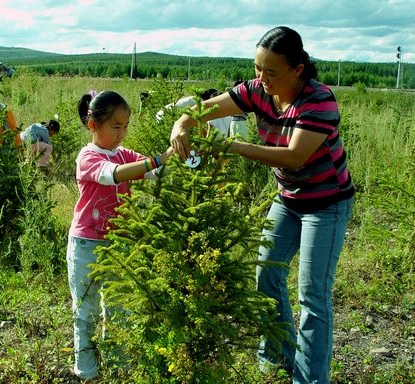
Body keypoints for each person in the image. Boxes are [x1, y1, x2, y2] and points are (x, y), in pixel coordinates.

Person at [169, 26, 354, 384]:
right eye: (257, 68)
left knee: (313, 294)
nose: (261, 78)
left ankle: (311, 378)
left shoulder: (319, 101)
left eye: (271, 72)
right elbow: (204, 108)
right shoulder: (257, 91)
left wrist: (232, 147)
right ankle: (277, 354)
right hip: (288, 200)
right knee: (266, 273)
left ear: (297, 70)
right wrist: (182, 123)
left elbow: (294, 156)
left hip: (326, 205)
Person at [67, 90, 173, 380]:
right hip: (86, 243)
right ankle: (86, 369)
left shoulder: (123, 153)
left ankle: (117, 365)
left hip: (118, 243)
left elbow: (154, 172)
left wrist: (178, 155)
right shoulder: (88, 156)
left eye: (126, 126)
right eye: (116, 127)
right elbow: (114, 174)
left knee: (117, 308)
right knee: (84, 309)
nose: (122, 133)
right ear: (93, 125)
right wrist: (157, 159)